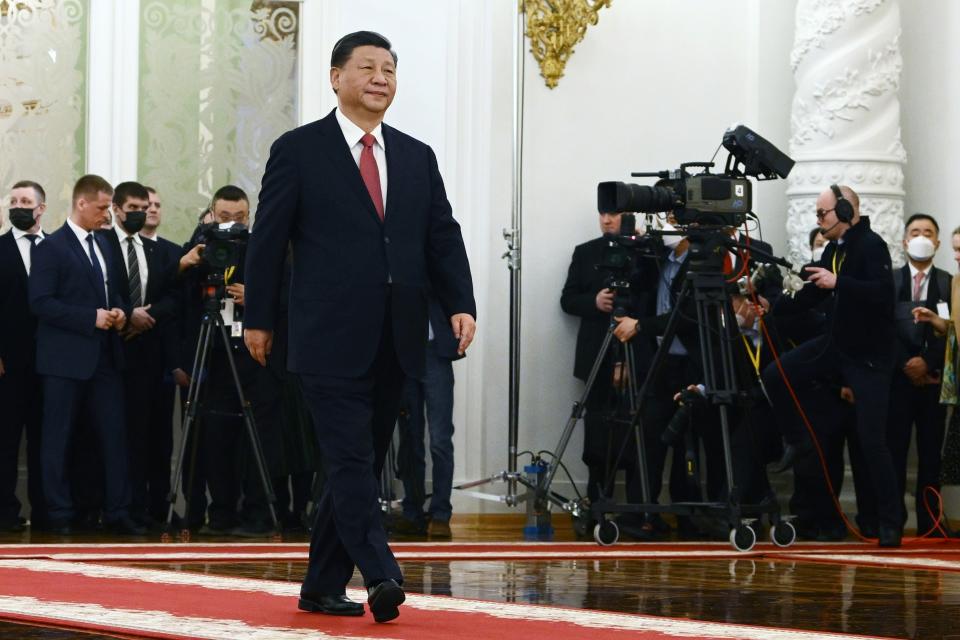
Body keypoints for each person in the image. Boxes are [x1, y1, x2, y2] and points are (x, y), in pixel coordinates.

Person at [243, 31, 476, 623]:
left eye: (390, 69)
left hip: (396, 336)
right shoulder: (298, 149)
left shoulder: (417, 155)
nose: (381, 78)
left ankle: (320, 586)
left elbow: (441, 236)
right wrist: (259, 318)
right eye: (368, 67)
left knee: (358, 463)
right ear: (336, 77)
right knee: (349, 460)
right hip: (325, 335)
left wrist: (461, 302)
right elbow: (267, 242)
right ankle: (380, 572)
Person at [762, 184, 902, 547]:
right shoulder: (833, 249)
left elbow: (883, 294)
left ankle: (890, 522)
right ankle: (797, 442)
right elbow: (811, 294)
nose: (818, 219)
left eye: (822, 213)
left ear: (844, 211)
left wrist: (839, 282)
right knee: (777, 374)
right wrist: (773, 307)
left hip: (869, 357)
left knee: (873, 443)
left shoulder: (871, 246)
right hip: (836, 346)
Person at [28, 174, 144, 536]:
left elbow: (116, 293)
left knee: (114, 437)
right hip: (63, 361)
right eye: (100, 207)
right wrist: (89, 317)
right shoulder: (51, 247)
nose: (107, 214)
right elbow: (40, 303)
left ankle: (117, 511)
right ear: (81, 203)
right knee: (58, 439)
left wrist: (120, 311)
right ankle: (59, 512)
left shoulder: (107, 244)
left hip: (106, 359)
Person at [559, 210, 651, 538]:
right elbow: (567, 300)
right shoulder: (585, 252)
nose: (607, 220)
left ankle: (640, 510)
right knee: (596, 430)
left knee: (638, 430)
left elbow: (650, 301)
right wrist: (594, 301)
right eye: (603, 214)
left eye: (614, 215)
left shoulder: (645, 251)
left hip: (635, 353)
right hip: (595, 354)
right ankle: (597, 504)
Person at [102, 181, 181, 527]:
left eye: (144, 206)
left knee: (156, 435)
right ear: (116, 209)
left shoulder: (152, 249)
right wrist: (127, 313)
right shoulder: (102, 244)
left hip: (152, 353)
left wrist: (147, 317)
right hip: (114, 352)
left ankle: (155, 508)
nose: (141, 213)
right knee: (124, 436)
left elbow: (170, 295)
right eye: (133, 208)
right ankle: (125, 508)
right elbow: (102, 288)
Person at [883, 213, 951, 536]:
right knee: (894, 452)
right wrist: (906, 365)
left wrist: (927, 363)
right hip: (896, 383)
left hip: (933, 383)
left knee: (930, 456)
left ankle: (931, 524)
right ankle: (893, 523)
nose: (921, 236)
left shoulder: (949, 284)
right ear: (905, 241)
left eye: (928, 232)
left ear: (937, 243)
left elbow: (951, 332)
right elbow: (881, 329)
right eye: (915, 231)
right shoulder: (890, 281)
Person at [0, 180, 48, 531]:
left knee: (46, 441)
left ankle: (46, 511)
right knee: (5, 440)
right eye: (13, 200)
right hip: (8, 362)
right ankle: (5, 512)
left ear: (40, 208)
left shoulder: (58, 248)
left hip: (50, 363)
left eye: (25, 201)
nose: (18, 205)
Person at [395, 296, 462, 538]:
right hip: (404, 352)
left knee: (440, 439)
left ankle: (441, 513)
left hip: (436, 352)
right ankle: (412, 511)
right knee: (410, 438)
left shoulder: (436, 259)